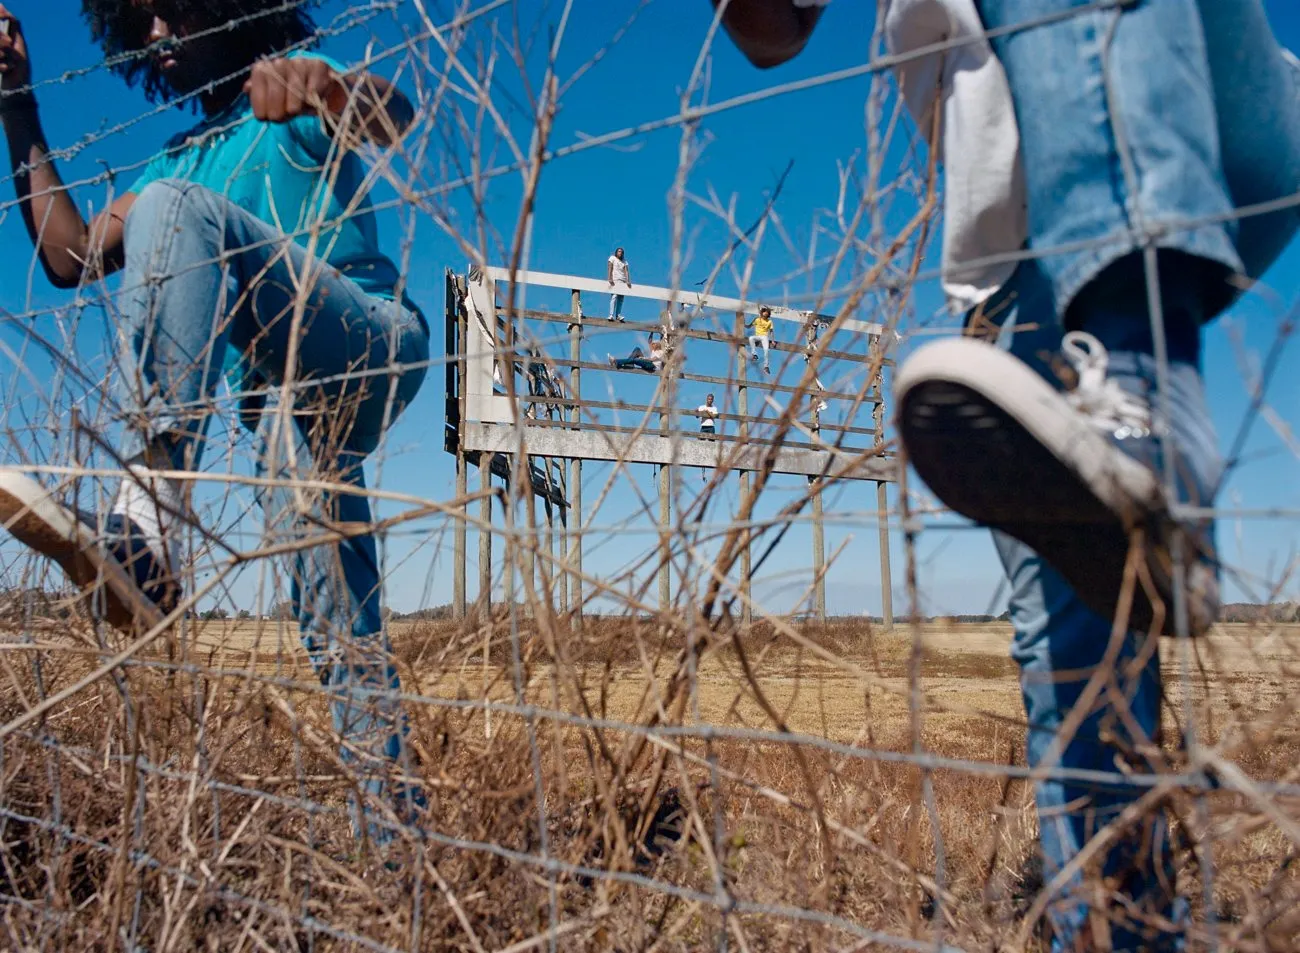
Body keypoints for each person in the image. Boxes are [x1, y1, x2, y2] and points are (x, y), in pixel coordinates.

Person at [717, 0, 1299, 948]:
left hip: (1222, 121)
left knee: (1092, 583)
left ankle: (1144, 381)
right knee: (1075, 642)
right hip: (1014, 282)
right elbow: (767, 32)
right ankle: (1119, 926)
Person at [0, 0, 432, 847]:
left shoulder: (287, 109)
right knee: (336, 620)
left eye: (172, 10)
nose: (157, 35)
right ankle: (402, 852)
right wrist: (17, 102)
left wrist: (326, 89)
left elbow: (391, 114)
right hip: (280, 398)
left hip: (365, 338)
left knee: (174, 207)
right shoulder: (177, 161)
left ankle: (150, 520)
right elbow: (71, 255)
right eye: (141, 21)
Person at [745, 305, 775, 373]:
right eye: (765, 312)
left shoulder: (769, 321)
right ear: (762, 312)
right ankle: (754, 355)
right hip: (758, 336)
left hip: (764, 337)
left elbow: (771, 331)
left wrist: (772, 341)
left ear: (768, 314)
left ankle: (766, 367)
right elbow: (749, 326)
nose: (766, 314)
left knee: (766, 351)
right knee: (751, 338)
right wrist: (744, 324)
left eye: (767, 313)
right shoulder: (757, 319)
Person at [607, 245, 632, 321]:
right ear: (616, 252)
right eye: (619, 251)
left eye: (621, 252)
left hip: (623, 281)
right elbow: (610, 267)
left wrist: (628, 281)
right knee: (614, 296)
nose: (620, 253)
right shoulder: (612, 258)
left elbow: (626, 271)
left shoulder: (624, 261)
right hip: (615, 280)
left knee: (621, 299)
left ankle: (618, 315)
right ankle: (611, 314)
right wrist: (610, 278)